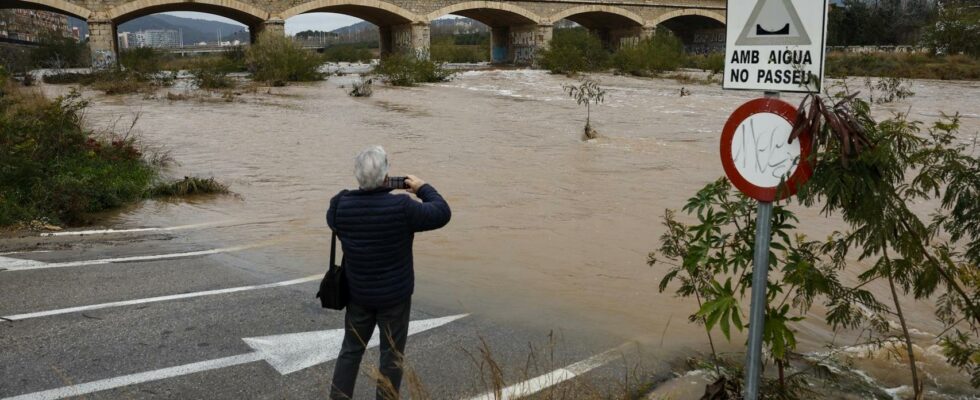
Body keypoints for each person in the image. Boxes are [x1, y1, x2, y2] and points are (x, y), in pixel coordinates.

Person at [326, 145, 451, 400]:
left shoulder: (340, 204)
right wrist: (423, 187)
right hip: (395, 298)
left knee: (350, 351)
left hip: (358, 295)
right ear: (386, 177)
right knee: (391, 357)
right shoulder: (403, 207)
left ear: (357, 176)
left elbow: (334, 220)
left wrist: (375, 193)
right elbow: (442, 212)